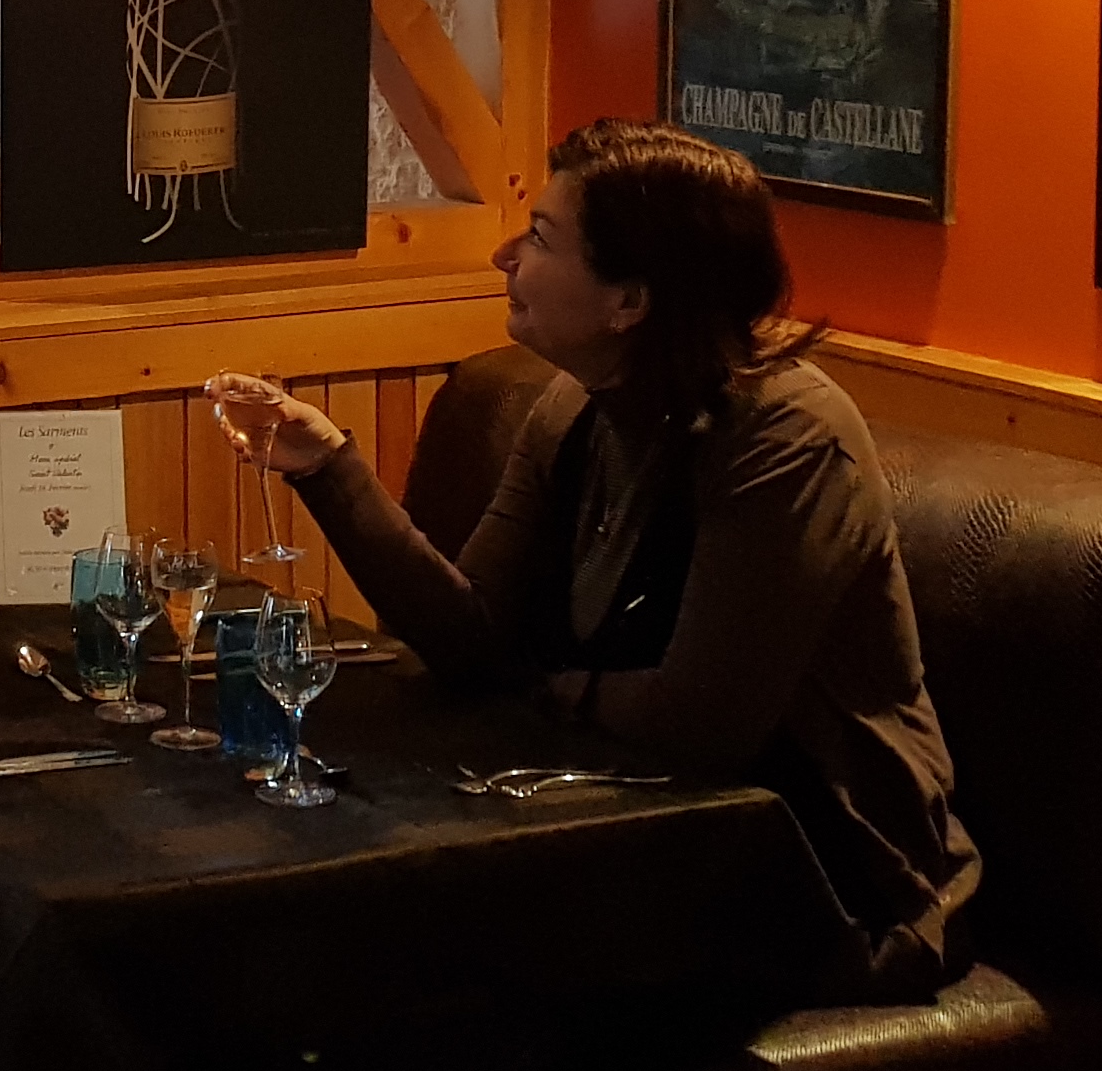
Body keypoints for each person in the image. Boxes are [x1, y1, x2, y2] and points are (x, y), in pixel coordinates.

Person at [217, 118, 974, 993]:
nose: (505, 256)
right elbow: (470, 635)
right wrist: (329, 469)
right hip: (637, 827)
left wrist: (528, 681)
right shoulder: (575, 408)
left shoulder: (787, 440)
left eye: (541, 238)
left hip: (830, 873)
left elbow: (700, 725)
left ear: (630, 301)